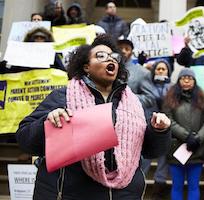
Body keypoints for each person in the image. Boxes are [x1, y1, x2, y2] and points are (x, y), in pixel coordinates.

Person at [15, 34, 171, 200]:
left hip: (124, 195)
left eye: (113, 57)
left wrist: (159, 131)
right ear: (86, 67)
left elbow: (152, 151)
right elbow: (25, 139)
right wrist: (47, 123)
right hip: (71, 193)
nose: (109, 59)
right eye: (101, 56)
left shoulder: (132, 103)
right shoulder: (63, 96)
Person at [163, 68, 204, 200]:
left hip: (197, 150)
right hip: (176, 150)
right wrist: (187, 136)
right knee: (177, 186)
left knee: (193, 186)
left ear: (194, 81)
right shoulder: (170, 99)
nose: (186, 80)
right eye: (183, 78)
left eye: (189, 78)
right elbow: (168, 120)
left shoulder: (203, 99)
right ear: (179, 80)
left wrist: (197, 138)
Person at [148, 59, 173, 200]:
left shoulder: (172, 87)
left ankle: (159, 187)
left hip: (164, 128)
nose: (161, 71)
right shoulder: (148, 85)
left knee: (163, 158)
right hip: (148, 126)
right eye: (158, 69)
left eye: (164, 69)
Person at [117, 38, 155, 109]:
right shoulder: (107, 71)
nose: (123, 51)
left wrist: (126, 98)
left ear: (131, 53)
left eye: (127, 49)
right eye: (120, 48)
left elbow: (150, 99)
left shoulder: (142, 72)